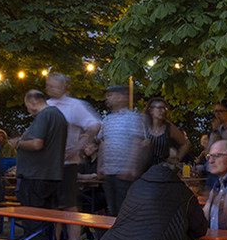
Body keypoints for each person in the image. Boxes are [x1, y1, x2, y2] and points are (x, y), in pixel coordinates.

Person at [9, 90, 66, 238]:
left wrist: (18, 143)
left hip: (35, 178)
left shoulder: (45, 115)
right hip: (51, 176)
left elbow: (36, 144)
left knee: (34, 223)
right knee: (47, 222)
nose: (27, 109)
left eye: (27, 105)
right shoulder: (58, 115)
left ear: (33, 102)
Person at [44, 73, 100, 216]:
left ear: (64, 87)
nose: (51, 89)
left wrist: (77, 147)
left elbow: (94, 126)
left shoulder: (74, 105)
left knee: (69, 205)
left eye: (55, 86)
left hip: (68, 163)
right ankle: (53, 239)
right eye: (49, 86)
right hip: (49, 164)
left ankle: (73, 239)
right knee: (52, 206)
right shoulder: (47, 105)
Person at [97, 85, 146, 216]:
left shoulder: (133, 118)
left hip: (125, 172)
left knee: (124, 209)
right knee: (112, 208)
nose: (107, 99)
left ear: (121, 97)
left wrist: (131, 167)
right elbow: (103, 143)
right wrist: (100, 166)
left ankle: (126, 236)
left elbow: (137, 143)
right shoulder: (107, 119)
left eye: (110, 95)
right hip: (109, 171)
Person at [143, 96, 190, 168]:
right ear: (151, 110)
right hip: (144, 170)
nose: (163, 111)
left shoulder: (169, 127)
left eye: (164, 108)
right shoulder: (143, 126)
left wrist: (177, 159)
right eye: (159, 108)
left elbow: (186, 144)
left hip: (162, 170)